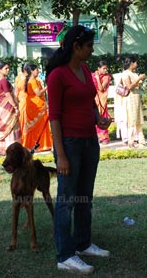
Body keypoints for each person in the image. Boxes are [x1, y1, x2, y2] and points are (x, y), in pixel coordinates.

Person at [46, 25, 110, 275]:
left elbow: (90, 101)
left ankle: (83, 243)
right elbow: (54, 118)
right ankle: (65, 255)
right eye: (89, 46)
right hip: (69, 145)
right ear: (76, 46)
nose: (92, 51)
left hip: (89, 141)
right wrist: (60, 155)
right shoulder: (57, 76)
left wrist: (98, 119)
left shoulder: (84, 69)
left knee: (85, 196)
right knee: (67, 200)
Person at [0, 61, 21, 156]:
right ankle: (11, 149)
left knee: (4, 127)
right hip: (7, 108)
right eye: (6, 68)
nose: (8, 70)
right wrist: (15, 106)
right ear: (0, 70)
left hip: (1, 107)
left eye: (8, 68)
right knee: (11, 126)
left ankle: (2, 149)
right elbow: (8, 95)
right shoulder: (3, 80)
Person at [22, 63, 53, 152]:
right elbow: (38, 93)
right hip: (36, 107)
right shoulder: (33, 81)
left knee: (37, 126)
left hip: (33, 106)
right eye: (36, 70)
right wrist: (47, 87)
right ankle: (40, 145)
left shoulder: (30, 80)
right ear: (32, 71)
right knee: (40, 125)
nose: (38, 71)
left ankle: (34, 144)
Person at [121, 56, 146, 148]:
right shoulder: (125, 73)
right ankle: (131, 142)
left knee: (139, 120)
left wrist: (139, 80)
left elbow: (136, 86)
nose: (137, 64)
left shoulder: (133, 73)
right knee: (132, 120)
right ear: (132, 63)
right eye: (136, 62)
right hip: (130, 98)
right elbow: (129, 87)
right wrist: (139, 79)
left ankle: (142, 141)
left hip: (136, 98)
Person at [92, 61, 112, 144]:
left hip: (102, 100)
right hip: (94, 99)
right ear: (98, 69)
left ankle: (104, 138)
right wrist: (95, 76)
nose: (105, 70)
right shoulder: (92, 75)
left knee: (102, 117)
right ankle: (97, 137)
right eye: (103, 68)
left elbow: (101, 89)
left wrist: (97, 78)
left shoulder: (106, 77)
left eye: (106, 68)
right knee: (94, 117)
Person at [14, 63, 28, 139]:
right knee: (22, 119)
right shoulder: (18, 78)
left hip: (29, 101)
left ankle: (28, 138)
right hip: (21, 101)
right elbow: (16, 91)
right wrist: (15, 103)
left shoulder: (30, 78)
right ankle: (22, 138)